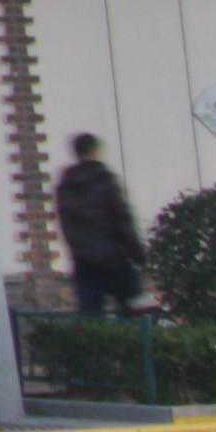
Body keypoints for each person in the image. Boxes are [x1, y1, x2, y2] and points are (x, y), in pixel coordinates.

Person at [55, 132, 147, 316]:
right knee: (135, 311)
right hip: (114, 257)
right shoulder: (104, 179)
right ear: (96, 150)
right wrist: (138, 254)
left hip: (82, 260)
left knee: (91, 318)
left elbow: (65, 223)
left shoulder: (65, 185)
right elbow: (122, 219)